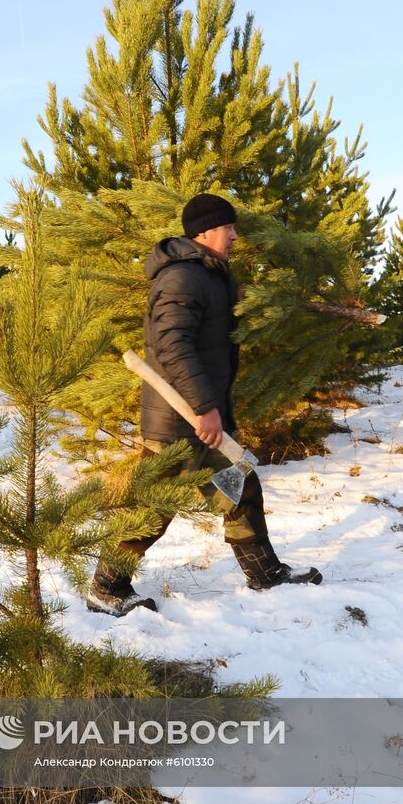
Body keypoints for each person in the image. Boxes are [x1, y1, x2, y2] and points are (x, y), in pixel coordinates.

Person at [87, 193, 323, 617]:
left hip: (202, 414)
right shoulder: (182, 278)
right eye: (228, 227)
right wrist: (204, 406)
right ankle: (106, 587)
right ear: (205, 231)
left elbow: (222, 312)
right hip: (180, 418)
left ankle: (263, 573)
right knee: (154, 506)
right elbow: (172, 344)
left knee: (240, 486)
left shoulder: (210, 275)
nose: (235, 235)